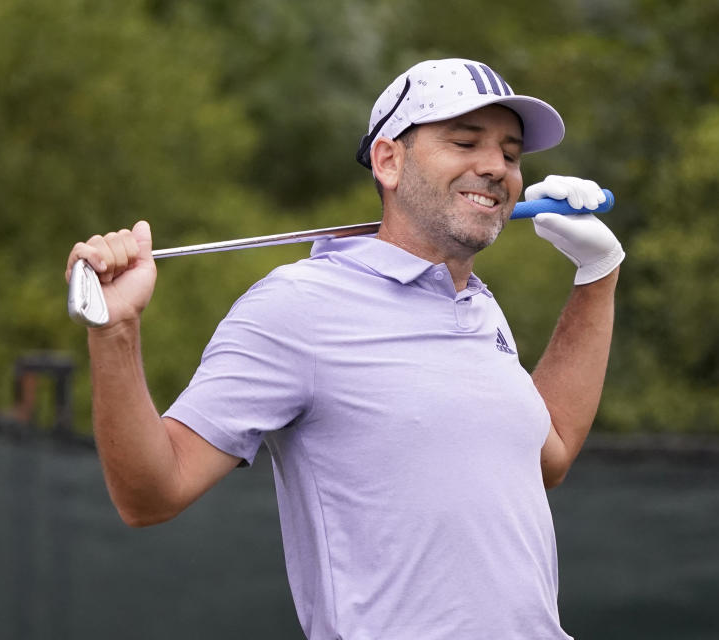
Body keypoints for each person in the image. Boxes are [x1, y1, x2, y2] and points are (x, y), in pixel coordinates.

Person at [65, 57, 624, 640]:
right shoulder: (297, 306)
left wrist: (598, 274)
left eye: (510, 155)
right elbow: (152, 494)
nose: (495, 168)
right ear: (388, 160)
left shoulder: (480, 307)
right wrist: (116, 332)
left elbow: (549, 454)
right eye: (464, 142)